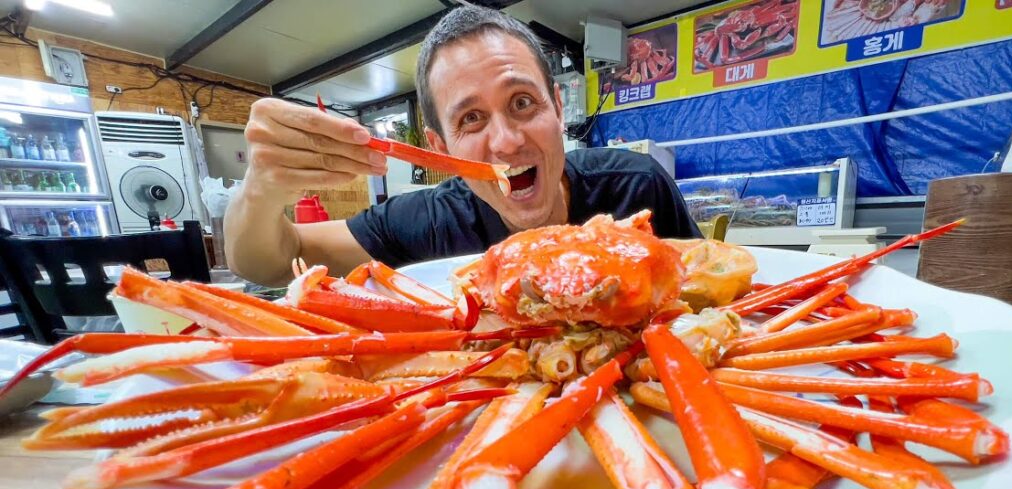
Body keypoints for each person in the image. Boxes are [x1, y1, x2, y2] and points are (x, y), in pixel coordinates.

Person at [224, 6, 701, 287]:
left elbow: (711, 292)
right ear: (440, 147)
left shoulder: (637, 187)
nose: (507, 141)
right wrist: (260, 189)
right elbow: (270, 262)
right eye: (471, 119)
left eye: (522, 102)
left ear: (558, 108)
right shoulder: (429, 223)